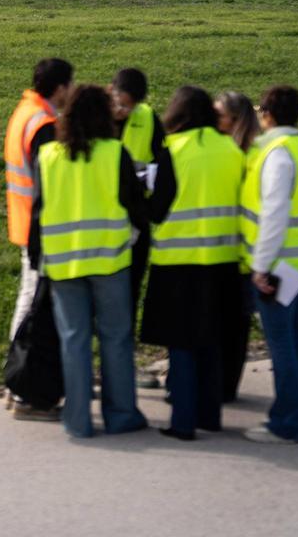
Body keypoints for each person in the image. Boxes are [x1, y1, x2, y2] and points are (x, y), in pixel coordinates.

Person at [28, 84, 149, 438]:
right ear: (104, 116)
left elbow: (38, 214)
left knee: (74, 340)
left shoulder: (48, 155)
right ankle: (121, 413)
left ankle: (77, 419)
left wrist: (38, 261)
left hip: (64, 264)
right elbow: (135, 206)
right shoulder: (115, 153)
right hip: (111, 261)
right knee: (116, 338)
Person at [141, 86, 246, 440]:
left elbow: (159, 210)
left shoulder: (174, 150)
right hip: (225, 259)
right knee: (212, 339)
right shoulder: (231, 149)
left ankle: (183, 422)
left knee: (181, 343)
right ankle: (209, 415)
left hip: (179, 261)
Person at [240, 85, 298, 444]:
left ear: (268, 115)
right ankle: (294, 417)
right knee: (292, 340)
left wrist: (260, 266)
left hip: (278, 265)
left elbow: (274, 213)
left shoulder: (276, 153)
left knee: (283, 344)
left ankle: (288, 422)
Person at [3, 58, 73, 420]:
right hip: (40, 227)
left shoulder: (24, 110)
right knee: (33, 308)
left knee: (27, 301)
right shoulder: (44, 123)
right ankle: (19, 383)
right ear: (60, 88)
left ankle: (14, 380)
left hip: (23, 219)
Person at [109, 68, 168, 388]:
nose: (124, 110)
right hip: (101, 222)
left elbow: (161, 163)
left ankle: (124, 365)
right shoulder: (90, 115)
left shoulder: (148, 118)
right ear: (110, 91)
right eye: (120, 102)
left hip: (136, 220)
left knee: (129, 295)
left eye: (130, 105)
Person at [213, 91, 260, 401]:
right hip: (232, 245)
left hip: (241, 249)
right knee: (232, 320)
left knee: (234, 321)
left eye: (219, 114)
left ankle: (226, 384)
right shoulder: (233, 149)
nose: (214, 119)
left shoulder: (246, 153)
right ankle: (225, 384)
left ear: (234, 119)